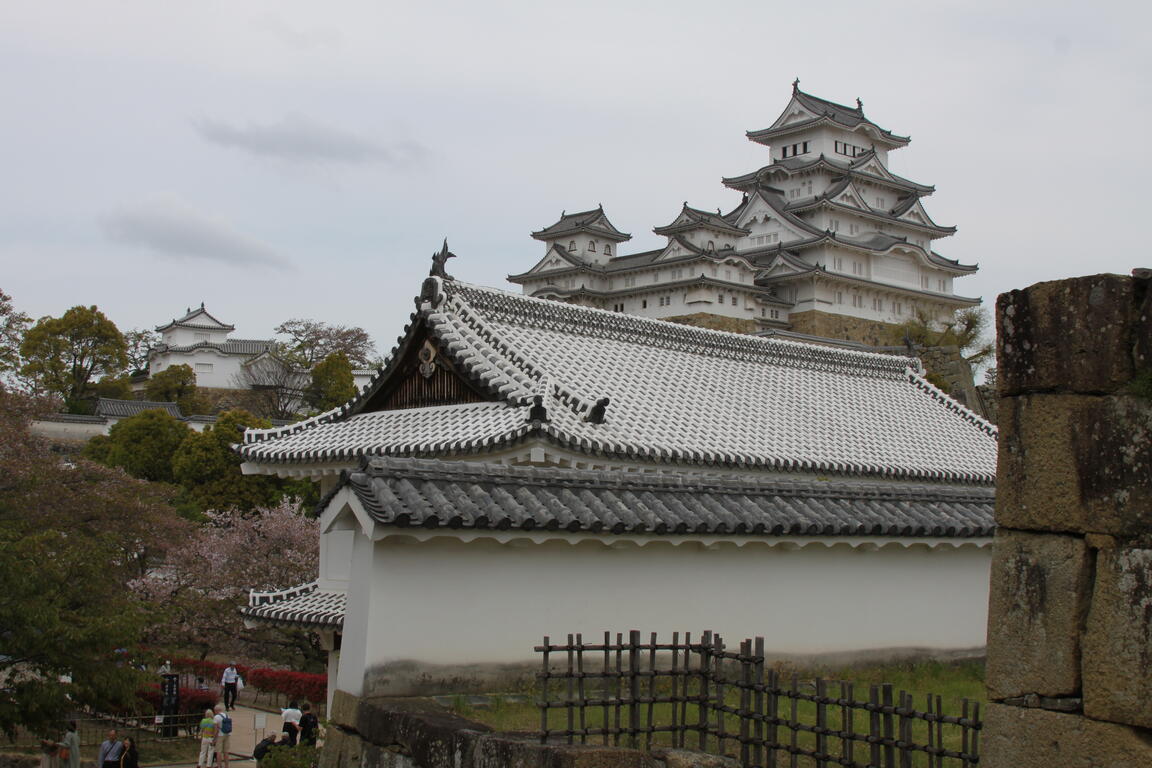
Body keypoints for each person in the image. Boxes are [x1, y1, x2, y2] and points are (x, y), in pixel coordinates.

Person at [213, 703, 232, 768]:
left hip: (220, 735)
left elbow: (216, 730)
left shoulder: (216, 717)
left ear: (216, 710)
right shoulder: (228, 716)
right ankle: (226, 766)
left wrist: (214, 739)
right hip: (228, 734)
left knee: (219, 752)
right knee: (226, 751)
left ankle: (219, 765)